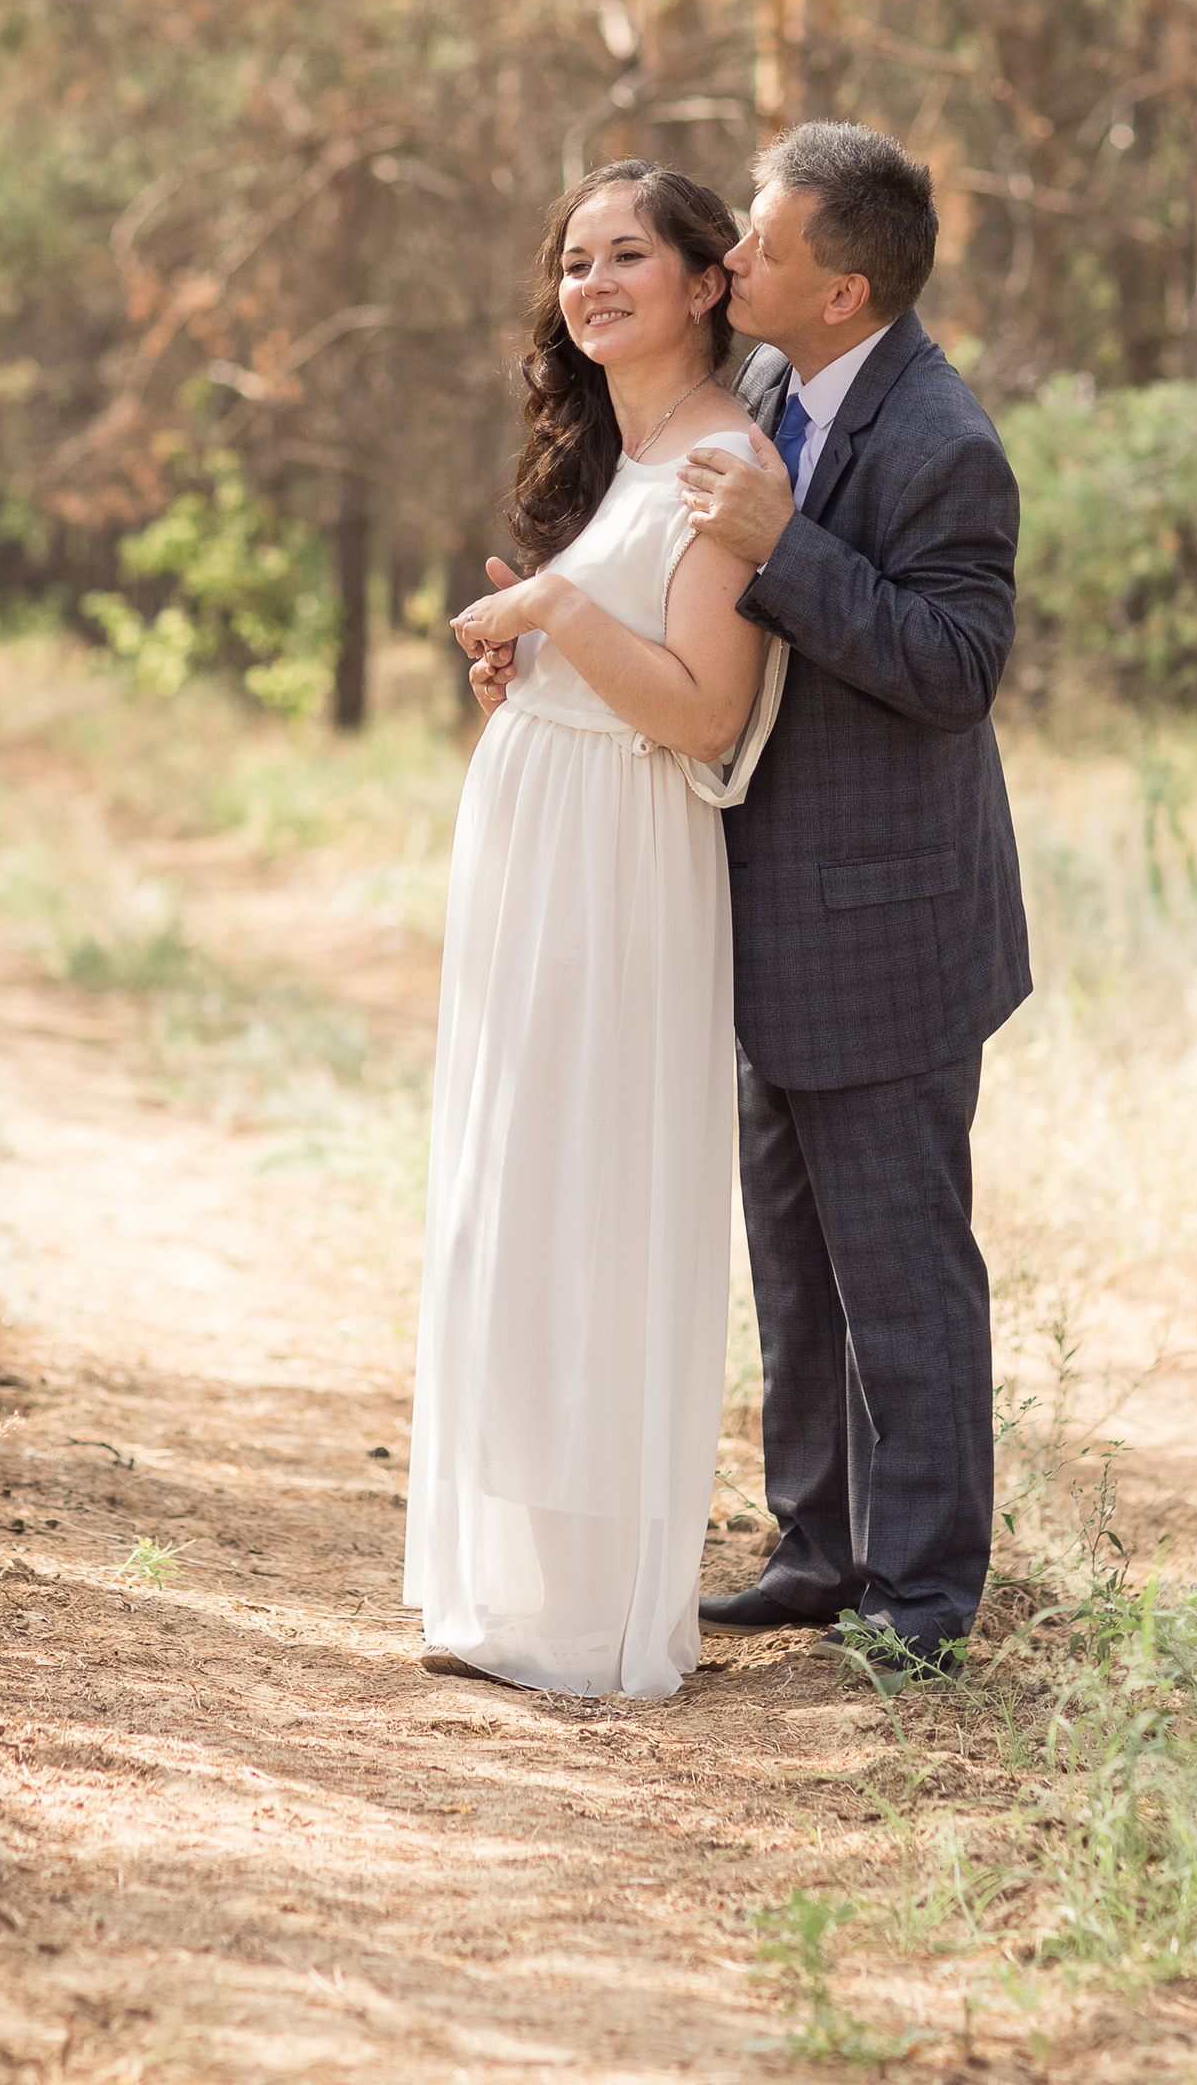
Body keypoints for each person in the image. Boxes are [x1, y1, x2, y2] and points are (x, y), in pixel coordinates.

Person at [403, 159, 775, 1700]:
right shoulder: (616, 456)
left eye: (631, 254)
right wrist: (539, 671)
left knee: (593, 1197)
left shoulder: (724, 464)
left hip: (624, 861)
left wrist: (560, 617)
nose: (594, 282)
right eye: (573, 261)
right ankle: (529, 1593)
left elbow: (702, 712)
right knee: (520, 1194)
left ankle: (594, 1617)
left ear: (709, 281)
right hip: (538, 844)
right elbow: (617, 660)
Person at [675, 121, 1031, 1689]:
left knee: (903, 1267)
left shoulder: (946, 439)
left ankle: (927, 1594)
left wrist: (785, 549)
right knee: (793, 1257)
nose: (733, 258)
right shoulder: (765, 390)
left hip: (890, 929)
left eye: (761, 242)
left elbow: (955, 674)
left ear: (847, 285)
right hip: (768, 908)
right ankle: (817, 1545)